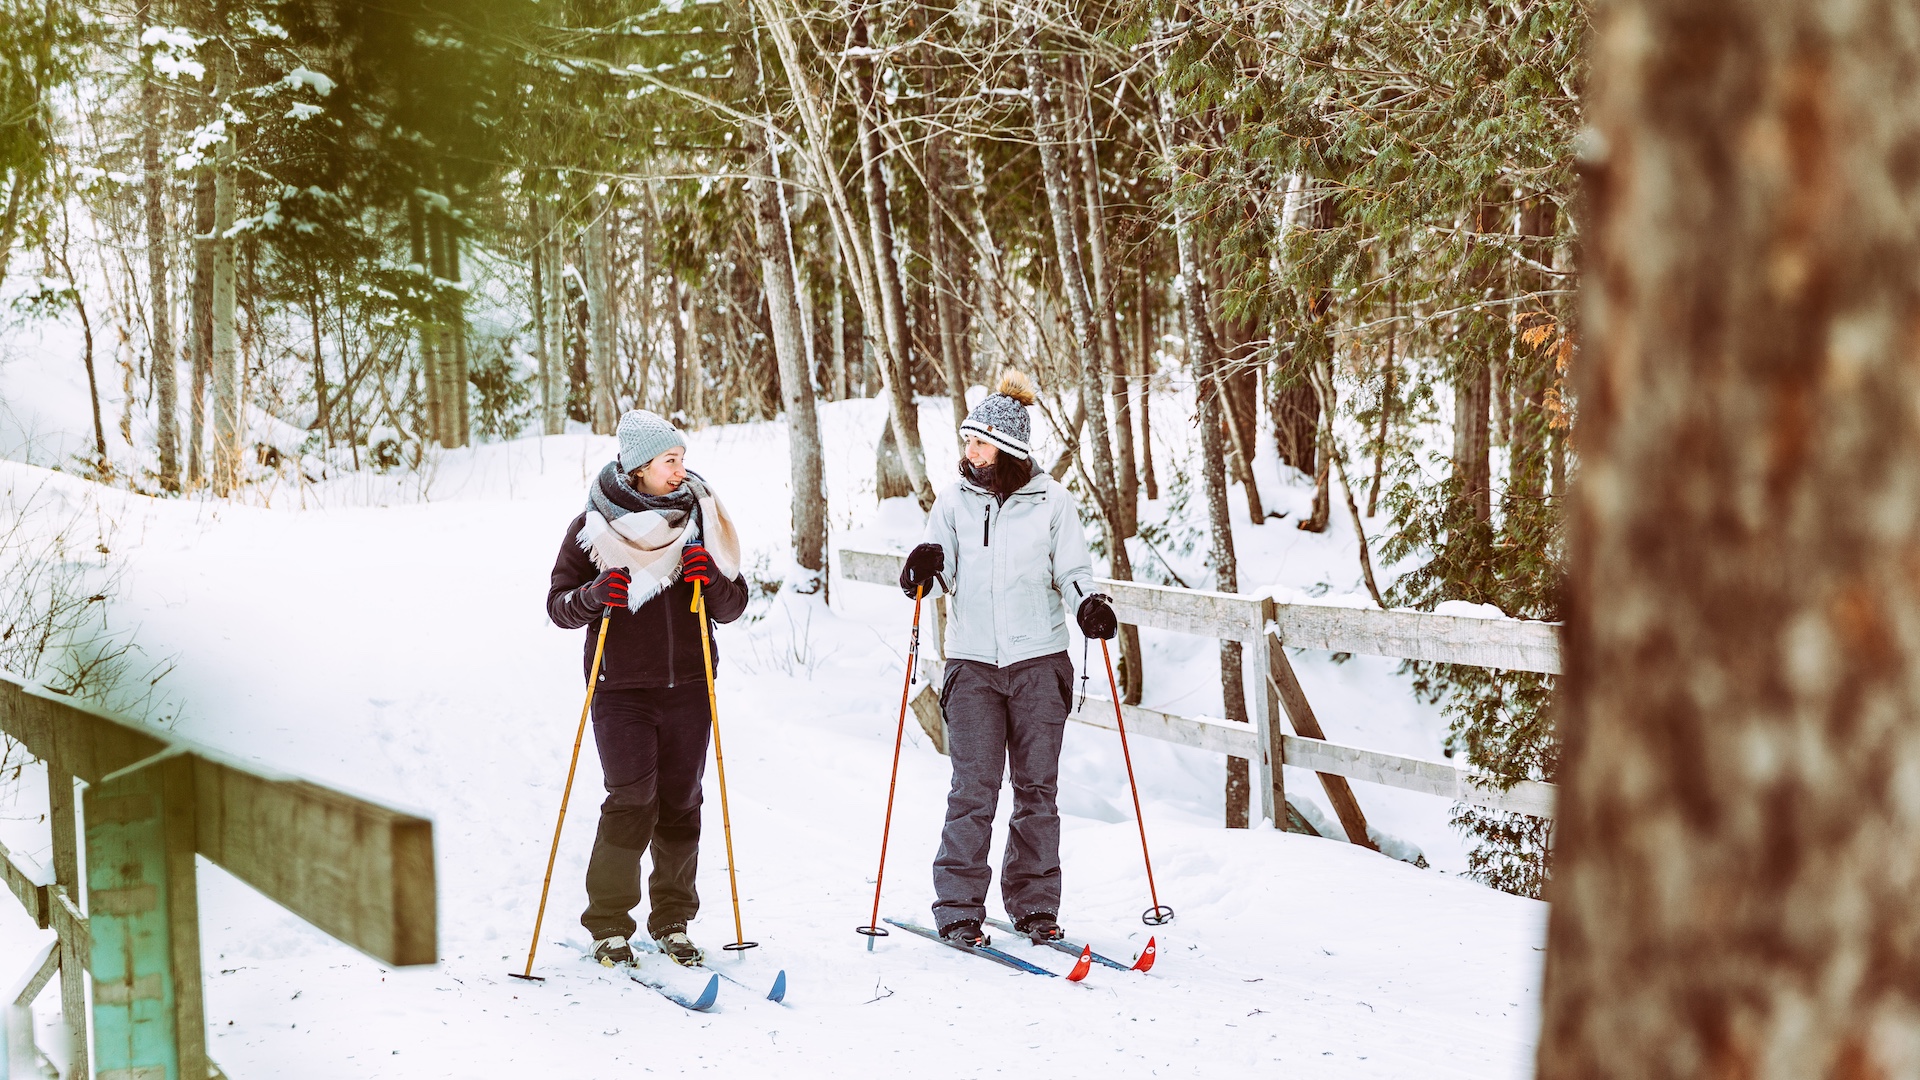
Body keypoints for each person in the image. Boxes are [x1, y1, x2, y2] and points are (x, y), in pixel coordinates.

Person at [898, 370, 1119, 948]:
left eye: (980, 442)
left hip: (1039, 663)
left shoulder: (1052, 502)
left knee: (1037, 790)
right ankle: (958, 908)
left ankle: (1035, 905)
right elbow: (940, 567)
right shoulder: (953, 501)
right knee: (972, 790)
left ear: (1009, 447)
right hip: (971, 664)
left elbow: (1072, 571)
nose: (969, 452)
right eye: (968, 441)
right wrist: (922, 570)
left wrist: (1089, 604)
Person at [546, 410, 749, 967]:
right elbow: (559, 606)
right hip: (621, 692)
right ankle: (609, 924)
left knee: (682, 803)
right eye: (670, 461)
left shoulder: (700, 522)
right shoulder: (593, 528)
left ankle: (673, 921)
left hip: (690, 688)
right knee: (632, 800)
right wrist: (592, 596)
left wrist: (712, 581)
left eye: (682, 459)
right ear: (639, 467)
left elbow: (734, 606)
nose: (682, 471)